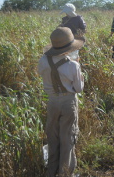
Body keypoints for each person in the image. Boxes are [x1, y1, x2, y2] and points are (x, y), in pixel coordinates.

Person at [37, 27, 85, 177]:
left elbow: (40, 73)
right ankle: (65, 173)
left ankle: (51, 171)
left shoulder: (44, 60)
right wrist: (77, 67)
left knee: (52, 137)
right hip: (68, 102)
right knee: (68, 138)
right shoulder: (73, 65)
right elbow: (78, 88)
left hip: (52, 102)